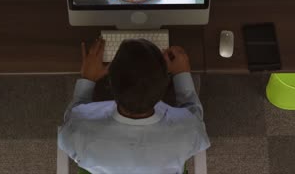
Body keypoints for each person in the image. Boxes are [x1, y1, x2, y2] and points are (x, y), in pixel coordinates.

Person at [58, 37, 210, 174]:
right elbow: (194, 114)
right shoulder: (188, 132)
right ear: (165, 83)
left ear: (109, 82)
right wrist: (181, 73)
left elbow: (72, 117)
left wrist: (88, 78)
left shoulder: (77, 132)